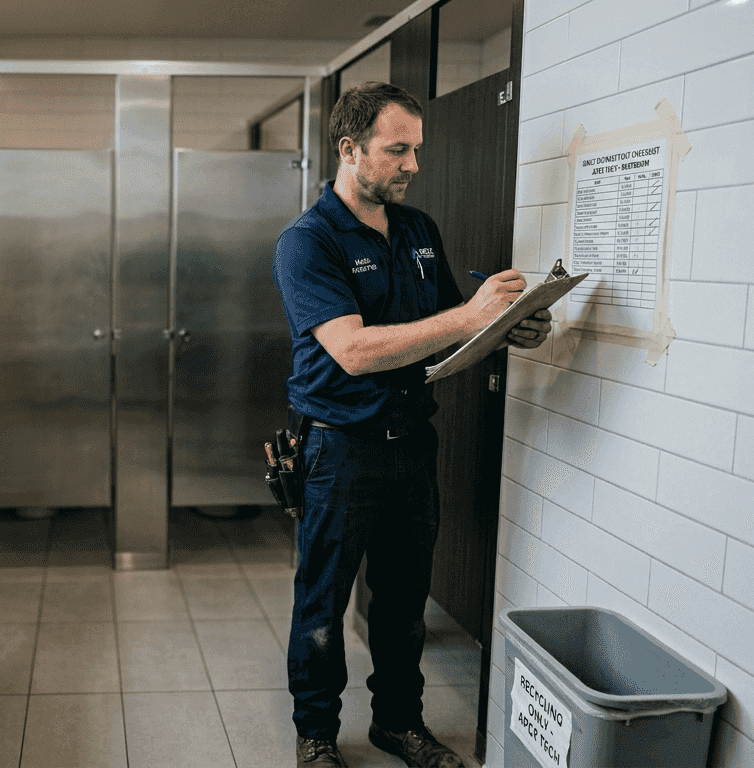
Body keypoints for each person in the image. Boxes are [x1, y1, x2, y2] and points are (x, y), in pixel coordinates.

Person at [272, 82, 551, 768]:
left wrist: (513, 327)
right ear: (350, 149)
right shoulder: (307, 243)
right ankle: (316, 734)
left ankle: (399, 723)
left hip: (411, 445)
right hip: (338, 449)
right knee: (323, 605)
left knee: (402, 604)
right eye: (398, 150)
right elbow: (355, 351)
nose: (412, 165)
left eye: (415, 150)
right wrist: (470, 316)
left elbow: (448, 332)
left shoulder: (420, 230)